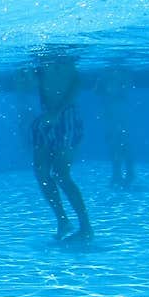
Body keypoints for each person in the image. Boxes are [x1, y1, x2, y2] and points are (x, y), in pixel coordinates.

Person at [30, 52, 93, 245]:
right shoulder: (39, 57)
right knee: (40, 171)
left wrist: (58, 112)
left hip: (66, 116)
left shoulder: (65, 56)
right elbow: (40, 84)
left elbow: (76, 84)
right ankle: (63, 221)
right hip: (45, 115)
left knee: (60, 174)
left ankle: (86, 228)